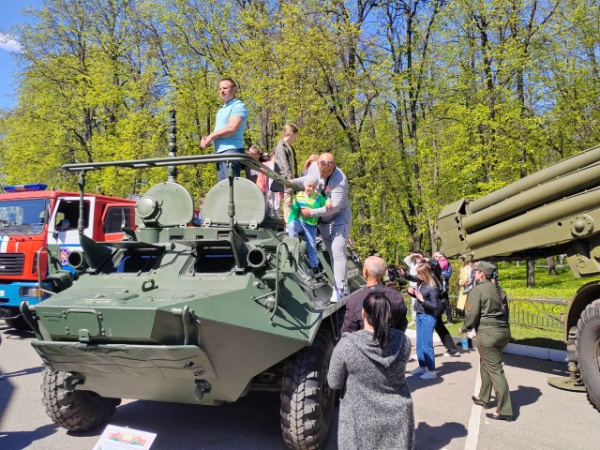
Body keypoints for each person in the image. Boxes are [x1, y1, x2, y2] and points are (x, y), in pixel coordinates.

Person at [328, 292, 415, 450]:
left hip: (358, 421)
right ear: (389, 315)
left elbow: (334, 383)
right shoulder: (403, 342)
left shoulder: (346, 346)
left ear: (363, 313)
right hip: (397, 419)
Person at [292, 152, 352, 303]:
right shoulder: (313, 167)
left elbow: (335, 206)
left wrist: (311, 212)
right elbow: (307, 180)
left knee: (338, 251)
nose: (324, 174)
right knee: (333, 255)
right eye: (322, 171)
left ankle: (339, 289)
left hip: (339, 218)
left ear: (334, 166)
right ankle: (344, 286)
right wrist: (291, 182)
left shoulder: (340, 179)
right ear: (318, 164)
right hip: (323, 220)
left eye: (328, 171)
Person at [459, 261, 513, 421]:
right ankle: (483, 397)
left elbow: (472, 314)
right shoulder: (500, 290)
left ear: (482, 274)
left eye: (476, 271)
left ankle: (504, 410)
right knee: (486, 363)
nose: (474, 273)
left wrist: (465, 327)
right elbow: (506, 314)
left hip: (488, 335)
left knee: (495, 370)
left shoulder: (477, 290)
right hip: (503, 333)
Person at [341, 255, 408, 333]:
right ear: (383, 272)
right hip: (390, 339)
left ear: (365, 272)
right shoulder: (396, 296)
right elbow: (401, 326)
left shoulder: (354, 300)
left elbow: (348, 330)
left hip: (362, 339)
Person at [200, 77, 248, 182]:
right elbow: (220, 132)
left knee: (231, 188)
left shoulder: (238, 106)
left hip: (231, 151)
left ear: (234, 90)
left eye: (225, 88)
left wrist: (211, 136)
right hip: (219, 153)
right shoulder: (221, 110)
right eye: (220, 89)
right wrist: (207, 140)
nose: (222, 91)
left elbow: (232, 128)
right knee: (223, 188)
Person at [287, 175, 326, 274]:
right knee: (292, 226)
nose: (311, 189)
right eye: (309, 186)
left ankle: (314, 265)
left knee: (312, 246)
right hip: (300, 222)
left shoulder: (318, 197)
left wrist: (329, 201)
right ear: (305, 185)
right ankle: (294, 250)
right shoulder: (299, 196)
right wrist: (290, 221)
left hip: (311, 226)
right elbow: (294, 210)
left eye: (314, 187)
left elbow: (325, 206)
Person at [408, 263, 439, 380]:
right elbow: (419, 296)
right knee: (419, 344)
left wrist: (422, 300)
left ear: (425, 274)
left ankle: (432, 371)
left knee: (426, 345)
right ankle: (422, 366)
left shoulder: (432, 287)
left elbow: (434, 306)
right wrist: (411, 293)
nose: (417, 276)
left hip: (428, 317)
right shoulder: (421, 283)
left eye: (419, 274)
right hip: (420, 315)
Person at [270, 124, 299, 221]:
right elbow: (284, 164)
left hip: (291, 179)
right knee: (288, 202)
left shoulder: (289, 147)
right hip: (285, 180)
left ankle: (290, 221)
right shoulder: (280, 146)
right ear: (291, 134)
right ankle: (288, 223)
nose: (296, 138)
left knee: (290, 201)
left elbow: (292, 164)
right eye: (295, 135)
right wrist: (289, 179)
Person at [434, 251, 454, 324]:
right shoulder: (436, 264)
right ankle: (439, 319)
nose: (436, 258)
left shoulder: (447, 264)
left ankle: (449, 320)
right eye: (435, 257)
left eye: (437, 256)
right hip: (436, 286)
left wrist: (441, 275)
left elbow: (448, 275)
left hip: (444, 286)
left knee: (445, 302)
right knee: (438, 303)